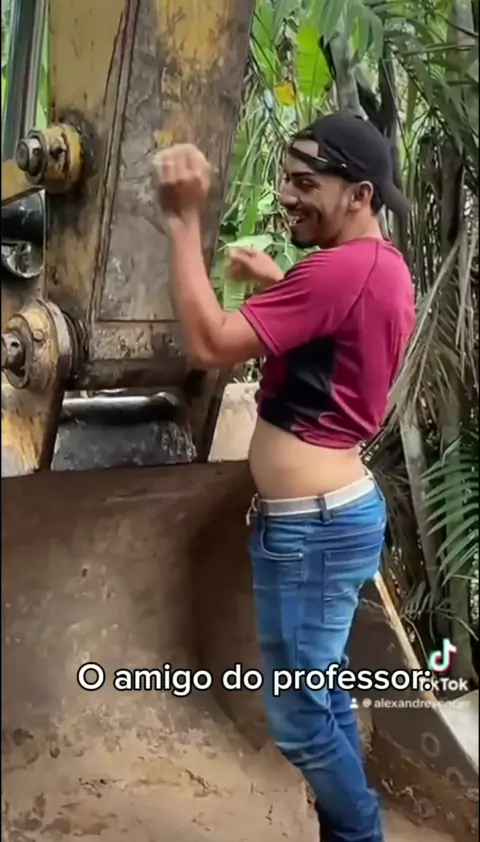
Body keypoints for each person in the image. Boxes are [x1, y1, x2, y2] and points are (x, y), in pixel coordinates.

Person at [154, 112, 416, 842]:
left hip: (315, 529)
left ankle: (360, 836)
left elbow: (210, 343)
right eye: (287, 180)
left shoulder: (335, 271)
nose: (288, 196)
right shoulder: (381, 265)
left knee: (299, 721)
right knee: (319, 695)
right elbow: (340, 342)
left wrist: (182, 221)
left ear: (359, 194)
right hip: (332, 516)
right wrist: (277, 282)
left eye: (306, 183)